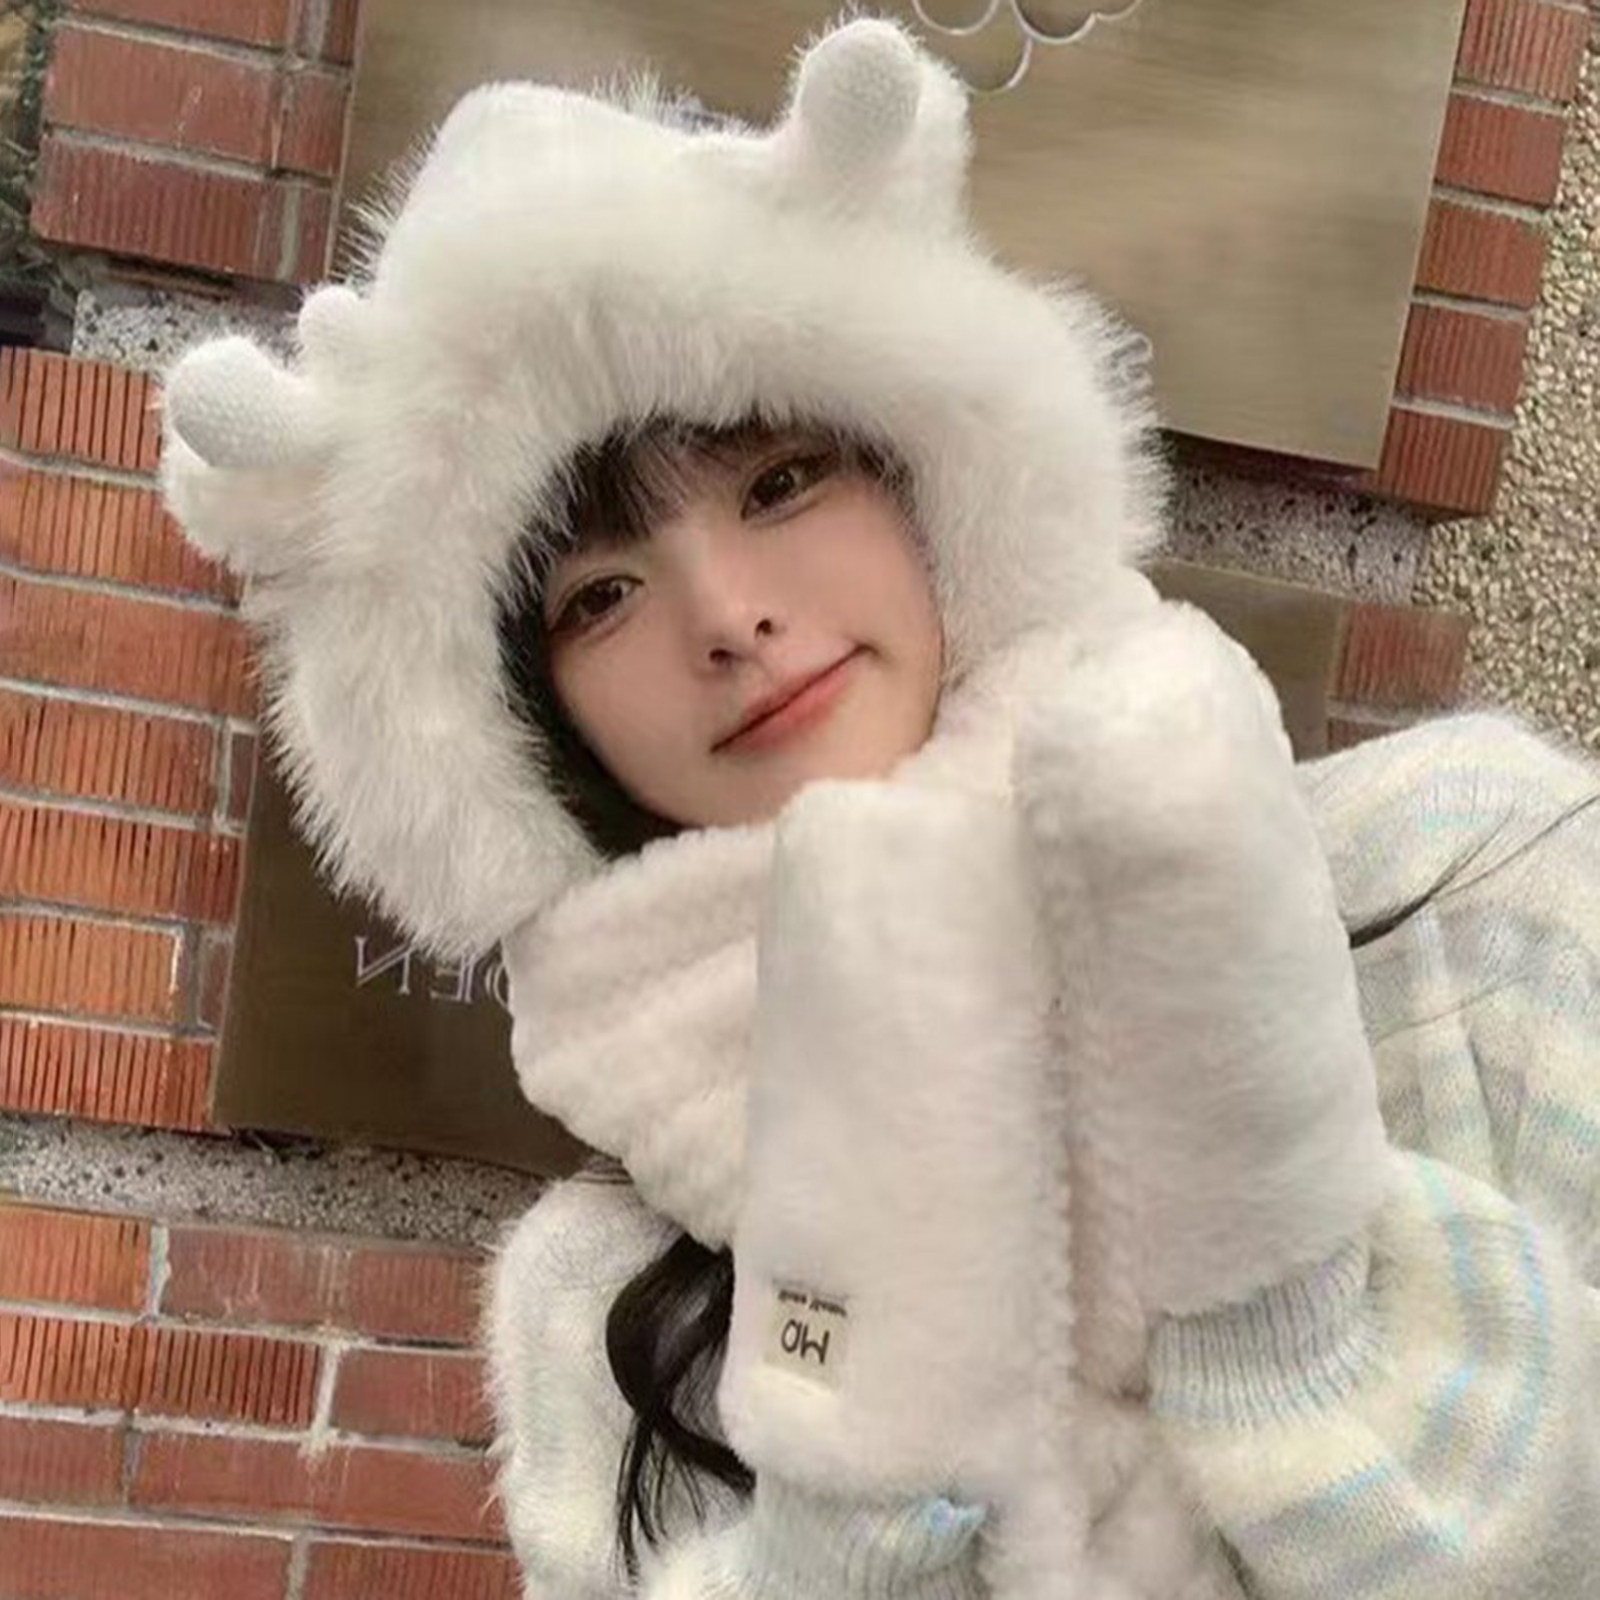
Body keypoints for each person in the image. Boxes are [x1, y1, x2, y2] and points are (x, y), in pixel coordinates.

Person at [155, 18, 1600, 1599]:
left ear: (928, 477)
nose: (728, 616)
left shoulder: (1480, 895)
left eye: (781, 482)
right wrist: (855, 1511)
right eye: (599, 596)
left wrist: (1288, 1309)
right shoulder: (602, 1308)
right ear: (527, 724)